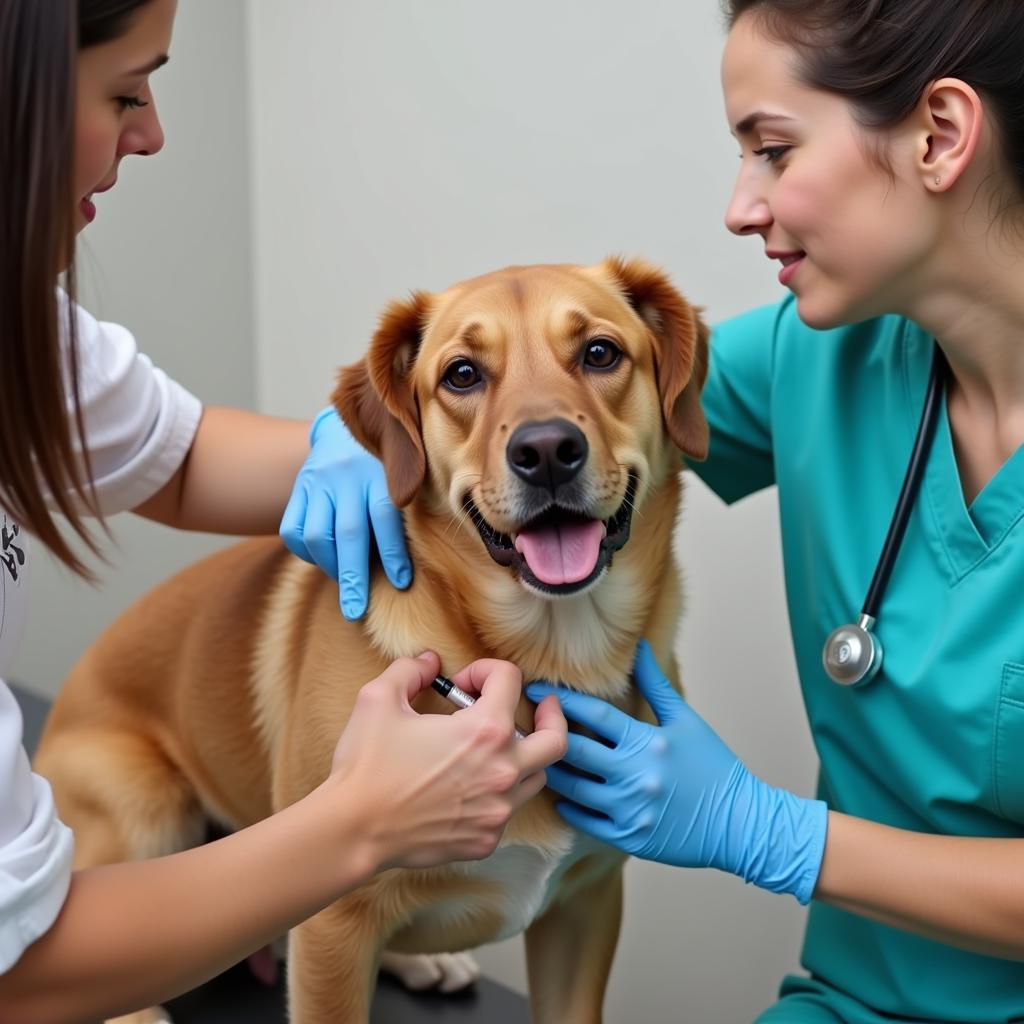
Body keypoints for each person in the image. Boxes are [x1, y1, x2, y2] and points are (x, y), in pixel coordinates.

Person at [305, 1, 1024, 1020]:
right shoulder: (820, 356)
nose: (740, 206)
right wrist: (355, 429)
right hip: (850, 1003)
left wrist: (767, 832)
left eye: (772, 150)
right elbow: (565, 431)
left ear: (938, 135)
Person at [0, 1, 567, 1020]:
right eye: (126, 90)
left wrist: (351, 444)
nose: (153, 132)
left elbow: (171, 458)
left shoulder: (15, 322)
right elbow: (17, 970)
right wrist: (354, 829)